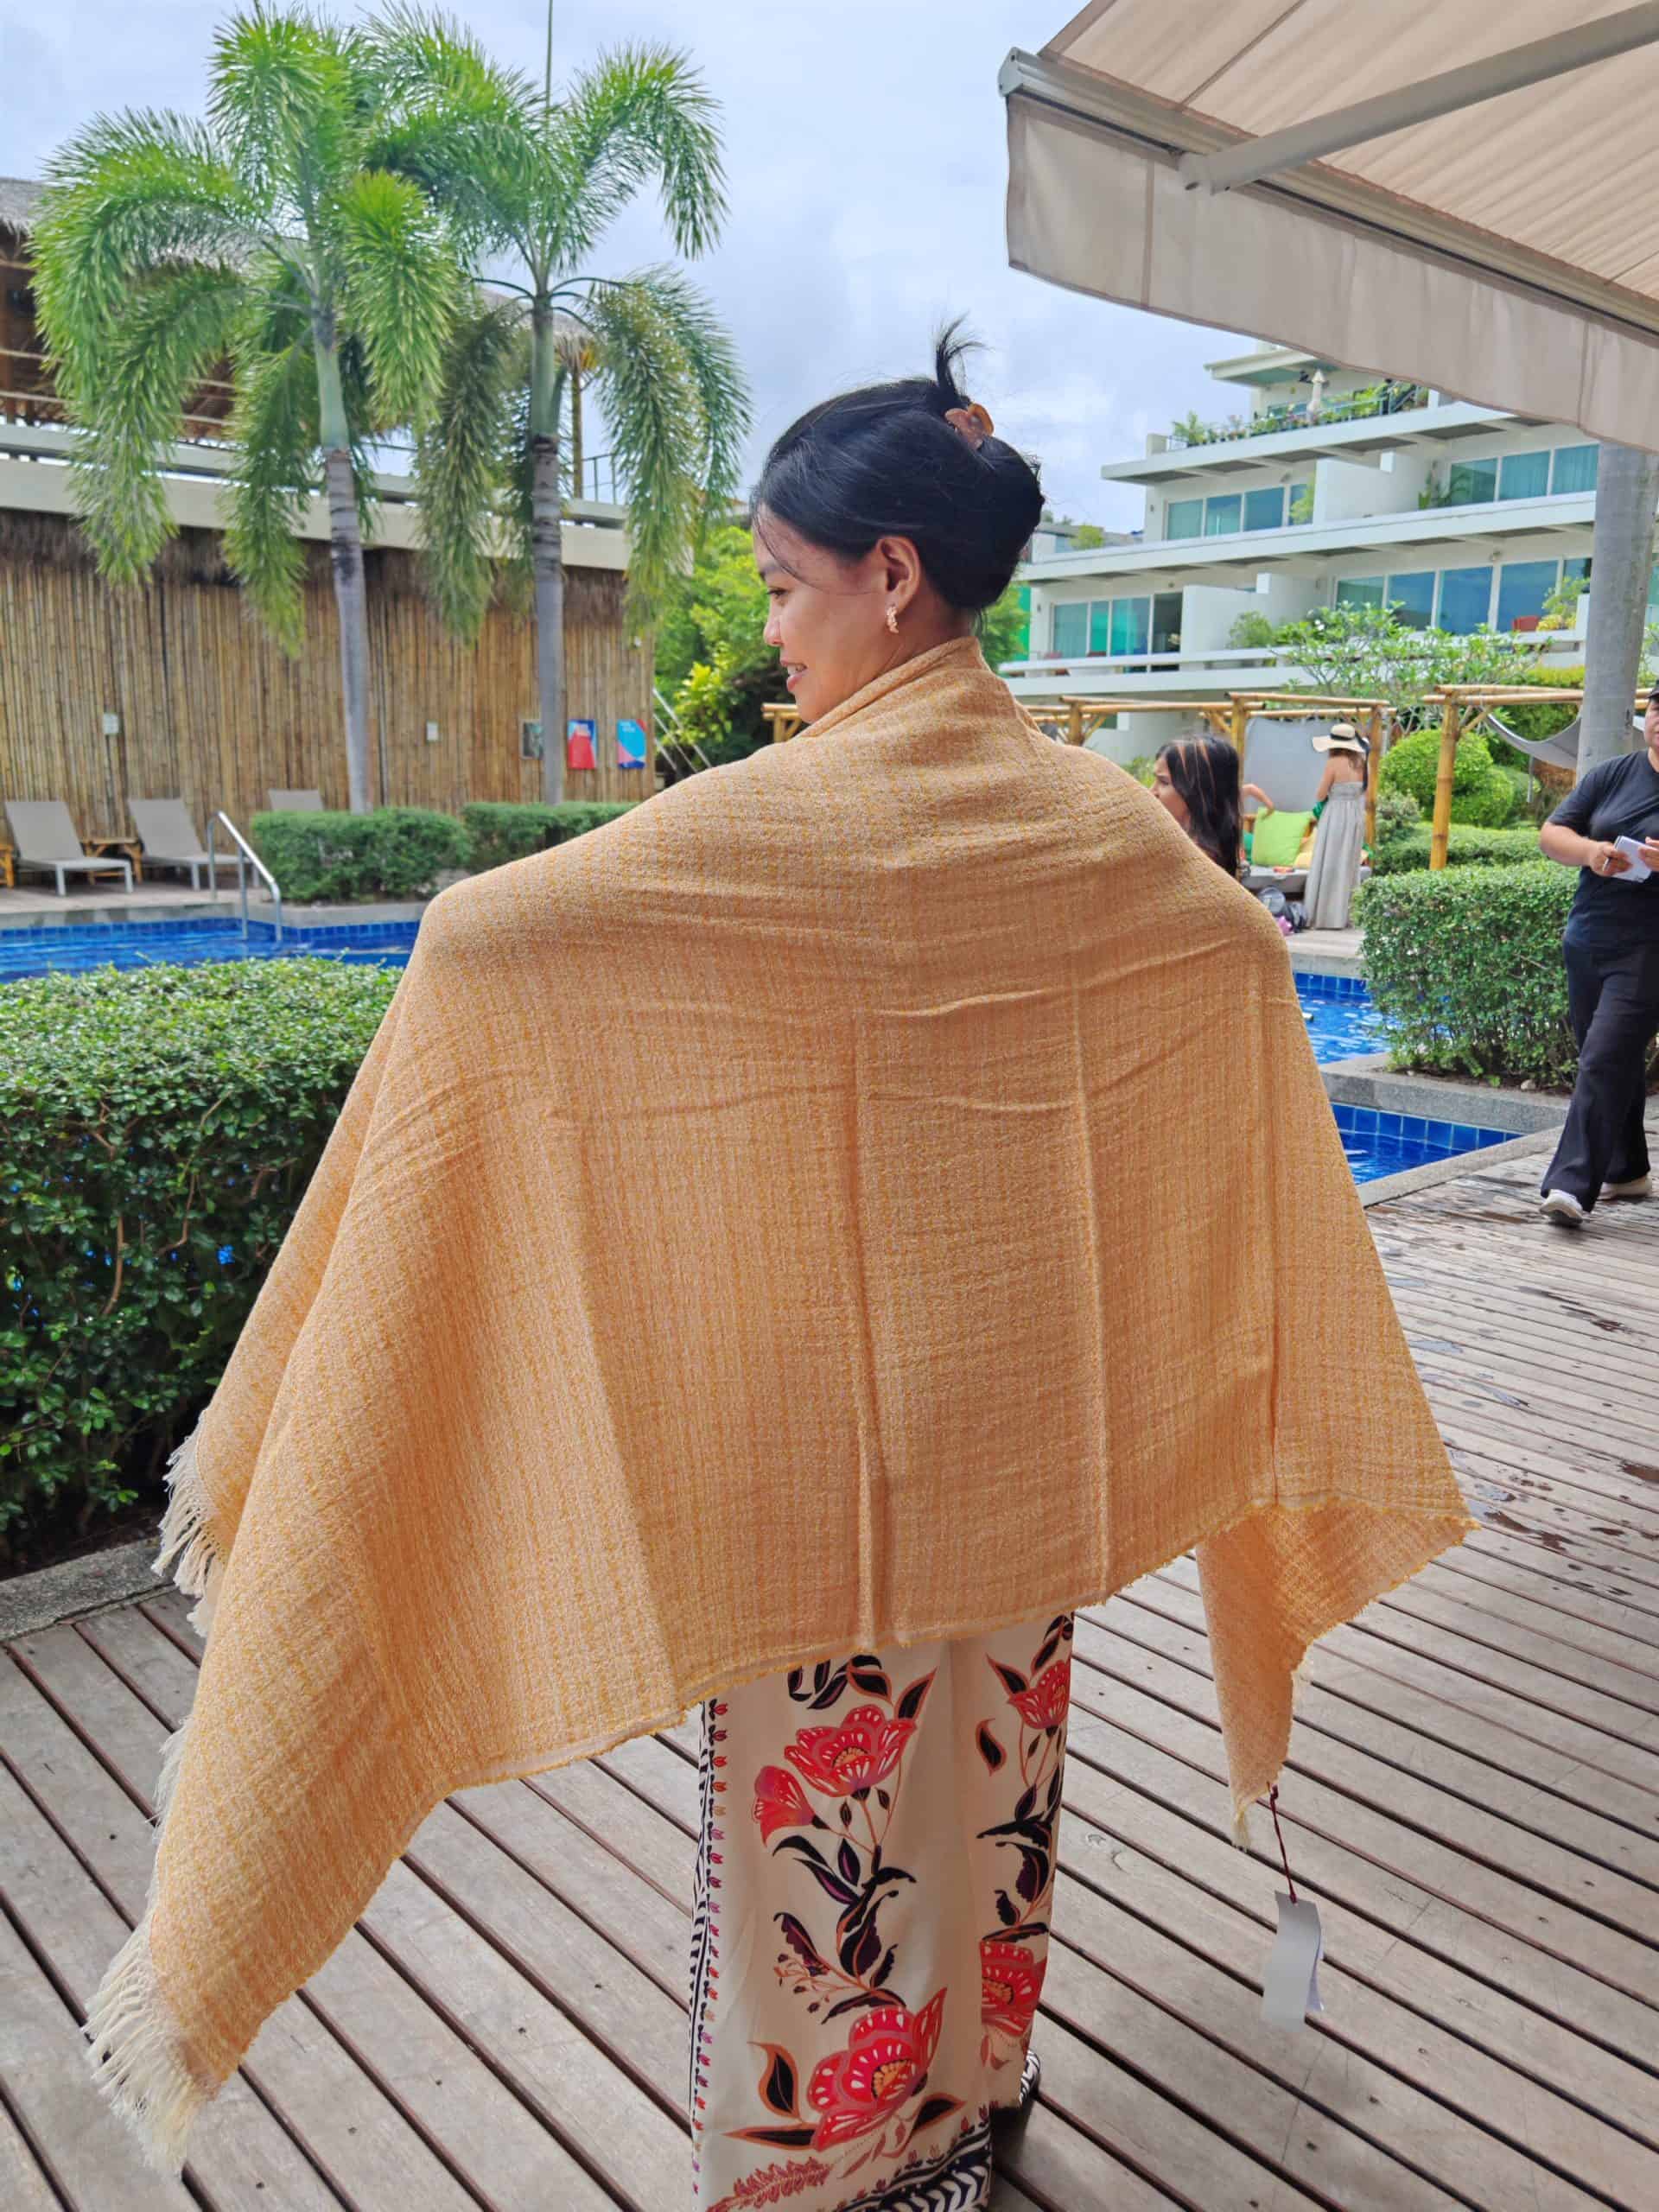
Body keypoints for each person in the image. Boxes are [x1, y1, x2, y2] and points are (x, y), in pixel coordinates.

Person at [86, 334, 1472, 2211]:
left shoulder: (777, 824)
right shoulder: (1091, 826)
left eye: (790, 587)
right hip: (1031, 1425)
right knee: (997, 1776)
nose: (774, 632)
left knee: (825, 1818)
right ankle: (978, 2097)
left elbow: (485, 940)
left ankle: (824, 2170)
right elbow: (1237, 966)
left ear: (895, 575)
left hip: (829, 1452)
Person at [1536, 684, 1659, 1225]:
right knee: (1611, 1056)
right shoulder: (1615, 774)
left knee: (1604, 1056)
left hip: (1650, 947)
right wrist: (1591, 853)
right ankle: (1628, 1170)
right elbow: (1552, 833)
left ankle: (1570, 1184)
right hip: (1588, 938)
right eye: (1658, 709)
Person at [1301, 721, 1370, 931]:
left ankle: (1326, 917)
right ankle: (1346, 915)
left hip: (1336, 815)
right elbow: (1365, 792)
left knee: (1330, 862)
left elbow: (1320, 794)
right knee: (1348, 865)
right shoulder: (1362, 763)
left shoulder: (1334, 762)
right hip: (1355, 815)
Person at [1150, 733, 1243, 871]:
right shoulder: (1181, 847)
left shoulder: (1194, 862)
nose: (1151, 791)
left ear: (1200, 794)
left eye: (1164, 782)